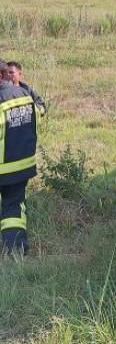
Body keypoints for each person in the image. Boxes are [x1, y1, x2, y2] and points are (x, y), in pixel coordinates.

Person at [0, 59, 39, 255]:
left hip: (2, 165)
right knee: (14, 207)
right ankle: (15, 249)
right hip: (20, 165)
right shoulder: (25, 94)